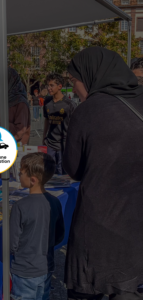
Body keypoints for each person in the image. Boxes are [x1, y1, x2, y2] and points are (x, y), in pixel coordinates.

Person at [63, 47, 143, 300]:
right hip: (137, 222)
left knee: (90, 290)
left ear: (89, 76)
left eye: (74, 80)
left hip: (98, 226)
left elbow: (73, 170)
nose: (74, 88)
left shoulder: (87, 111)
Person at [10, 152, 64, 300]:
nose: (19, 174)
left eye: (21, 172)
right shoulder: (55, 202)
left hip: (25, 270)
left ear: (32, 180)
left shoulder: (20, 206)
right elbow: (59, 235)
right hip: (46, 266)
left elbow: (12, 244)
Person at [0, 67, 31, 145]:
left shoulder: (20, 103)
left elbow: (19, 132)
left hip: (15, 148)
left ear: (9, 81)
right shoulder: (6, 100)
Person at [43, 73, 76, 175]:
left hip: (64, 144)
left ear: (59, 86)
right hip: (50, 143)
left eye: (51, 85)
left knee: (63, 172)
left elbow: (74, 125)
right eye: (48, 85)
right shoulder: (47, 101)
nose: (49, 88)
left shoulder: (69, 104)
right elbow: (47, 120)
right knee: (49, 171)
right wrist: (44, 137)